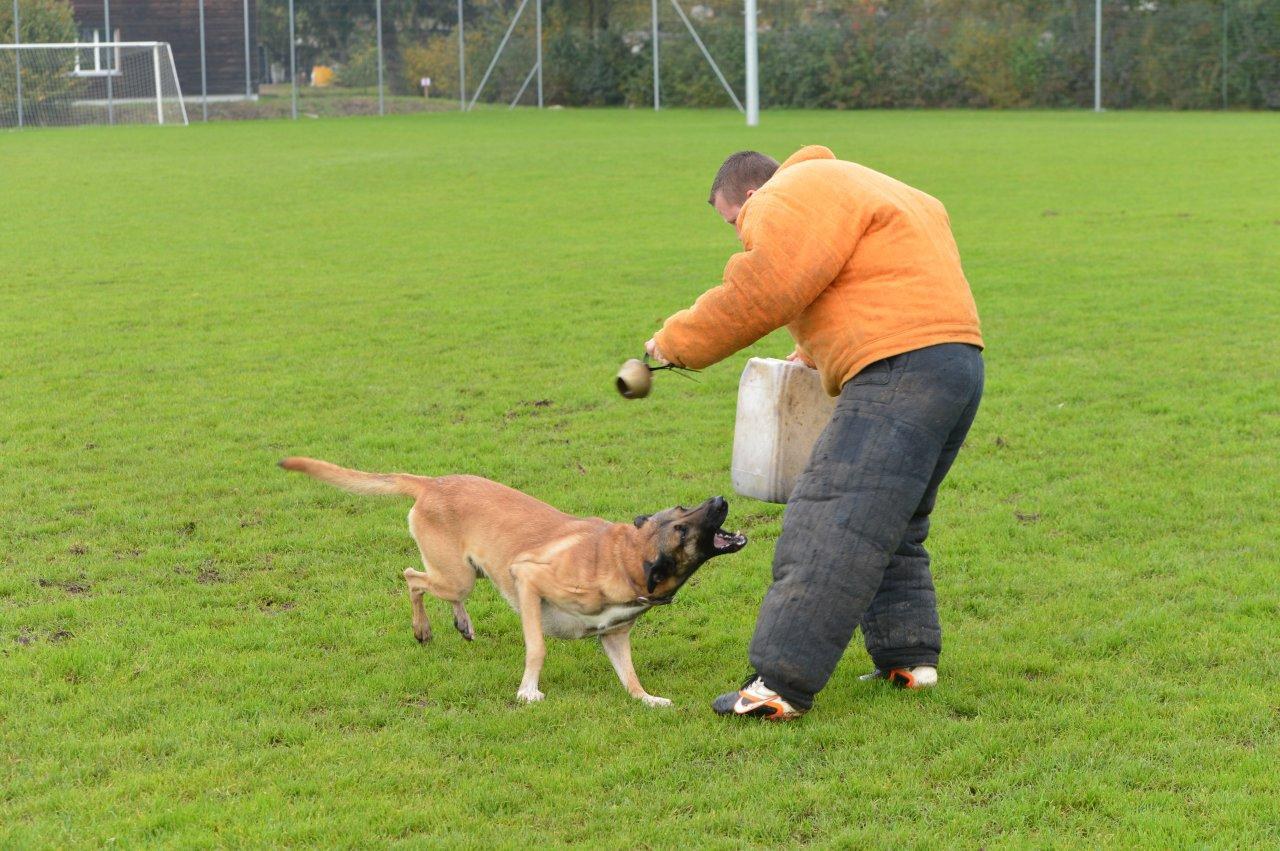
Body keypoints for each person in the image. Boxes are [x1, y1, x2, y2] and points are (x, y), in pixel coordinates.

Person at [645, 146, 985, 720]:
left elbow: (766, 285)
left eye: (735, 223)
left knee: (830, 520)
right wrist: (813, 350)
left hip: (898, 369)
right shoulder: (854, 184)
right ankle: (909, 660)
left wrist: (675, 344)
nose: (740, 234)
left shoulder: (787, 195)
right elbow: (872, 278)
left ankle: (779, 686)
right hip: (957, 362)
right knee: (892, 522)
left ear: (751, 196)